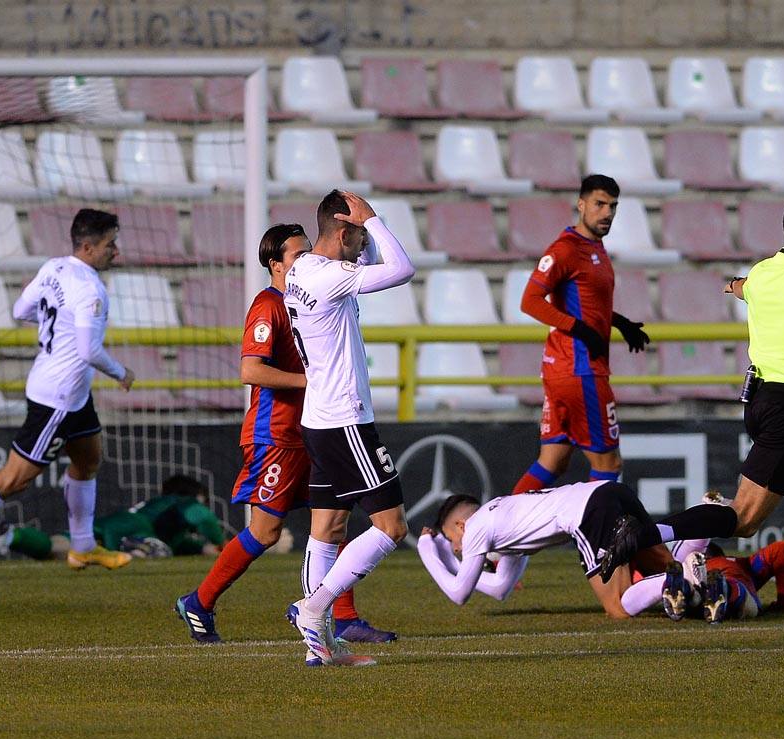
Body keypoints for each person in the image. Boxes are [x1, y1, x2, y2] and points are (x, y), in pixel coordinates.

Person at [610, 197, 784, 647]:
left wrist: (733, 286)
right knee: (744, 520)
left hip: (761, 400)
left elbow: (741, 286)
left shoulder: (764, 271)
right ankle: (645, 532)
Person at [173, 223, 395, 650]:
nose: (307, 258)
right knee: (266, 531)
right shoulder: (268, 306)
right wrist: (311, 379)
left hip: (318, 427)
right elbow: (249, 370)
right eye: (297, 254)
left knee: (334, 519)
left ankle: (342, 617)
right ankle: (199, 601)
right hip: (276, 436)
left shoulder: (308, 295)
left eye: (308, 250)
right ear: (275, 265)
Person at [0, 209, 135, 579]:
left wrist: (58, 321)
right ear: (87, 246)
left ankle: (82, 548)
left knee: (88, 459)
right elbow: (88, 351)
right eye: (110, 244)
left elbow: (21, 309)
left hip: (68, 392)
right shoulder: (90, 289)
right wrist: (120, 372)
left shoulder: (54, 269)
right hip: (59, 399)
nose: (116, 250)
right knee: (14, 478)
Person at [282, 190, 415, 667]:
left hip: (319, 420)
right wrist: (374, 219)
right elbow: (401, 269)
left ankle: (319, 648)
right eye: (356, 235)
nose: (364, 244)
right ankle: (313, 608)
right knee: (392, 527)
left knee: (328, 527)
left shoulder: (301, 270)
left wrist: (366, 227)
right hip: (346, 421)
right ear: (343, 233)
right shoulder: (328, 276)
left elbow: (377, 261)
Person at [512, 174, 650, 495]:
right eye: (600, 204)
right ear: (581, 204)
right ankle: (595, 543)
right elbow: (529, 301)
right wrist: (580, 330)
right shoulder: (565, 250)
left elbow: (588, 304)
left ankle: (501, 538)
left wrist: (619, 323)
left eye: (613, 206)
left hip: (566, 370)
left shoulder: (595, 249)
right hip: (580, 370)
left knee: (552, 461)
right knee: (608, 465)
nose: (607, 213)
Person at [416, 481, 650, 608]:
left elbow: (459, 594)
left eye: (451, 540)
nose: (456, 548)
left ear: (461, 526)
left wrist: (426, 548)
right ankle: (680, 581)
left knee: (617, 607)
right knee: (658, 556)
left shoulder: (476, 526)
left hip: (588, 511)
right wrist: (454, 565)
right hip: (611, 490)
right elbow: (500, 588)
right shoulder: (504, 520)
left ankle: (668, 583)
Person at [0, 474, 226, 561]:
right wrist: (221, 542)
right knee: (156, 553)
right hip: (138, 528)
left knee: (56, 548)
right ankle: (136, 547)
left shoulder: (169, 525)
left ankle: (12, 535)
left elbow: (194, 548)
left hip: (112, 523)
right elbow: (201, 516)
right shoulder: (182, 502)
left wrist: (212, 551)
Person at [617, 538, 784, 624]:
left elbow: (638, 581)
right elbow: (783, 548)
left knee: (693, 600)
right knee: (747, 603)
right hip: (732, 579)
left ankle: (686, 588)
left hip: (689, 571)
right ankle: (723, 588)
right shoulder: (744, 564)